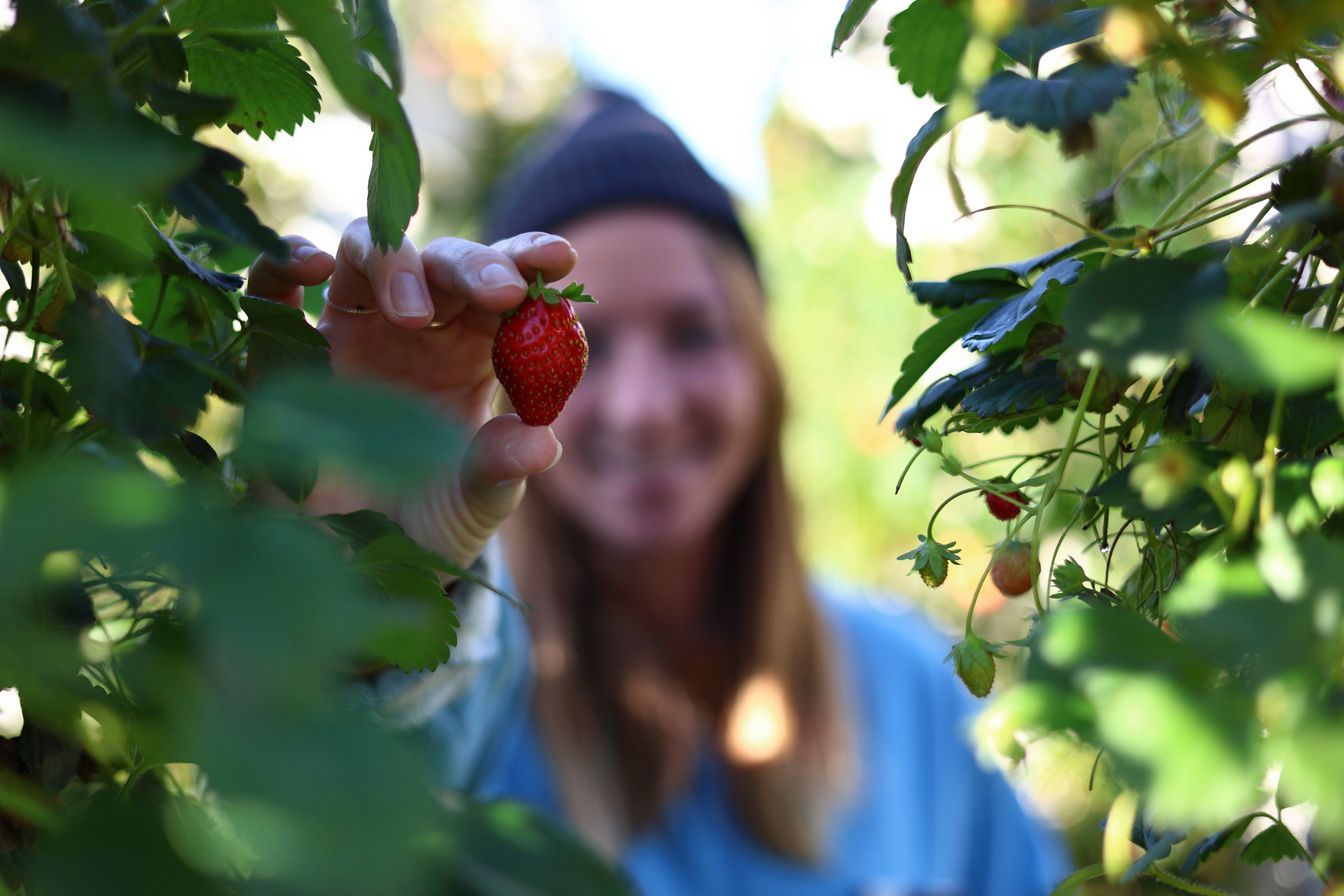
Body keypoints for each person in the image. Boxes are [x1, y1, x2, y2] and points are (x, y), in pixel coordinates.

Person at [246, 87, 1069, 894]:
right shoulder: (463, 695)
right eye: (590, 340)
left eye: (692, 332)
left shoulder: (914, 687)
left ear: (762, 368)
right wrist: (361, 627)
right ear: (494, 381)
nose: (644, 408)